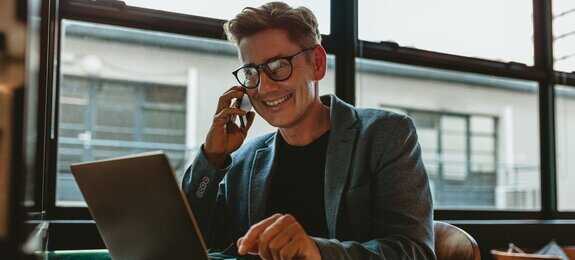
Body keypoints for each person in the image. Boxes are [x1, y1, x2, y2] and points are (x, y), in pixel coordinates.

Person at [182, 2, 435, 259]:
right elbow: (191, 238)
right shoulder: (244, 159)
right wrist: (212, 159)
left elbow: (415, 252)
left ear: (317, 64)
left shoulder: (386, 135)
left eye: (279, 66)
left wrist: (318, 252)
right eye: (251, 72)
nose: (264, 88)